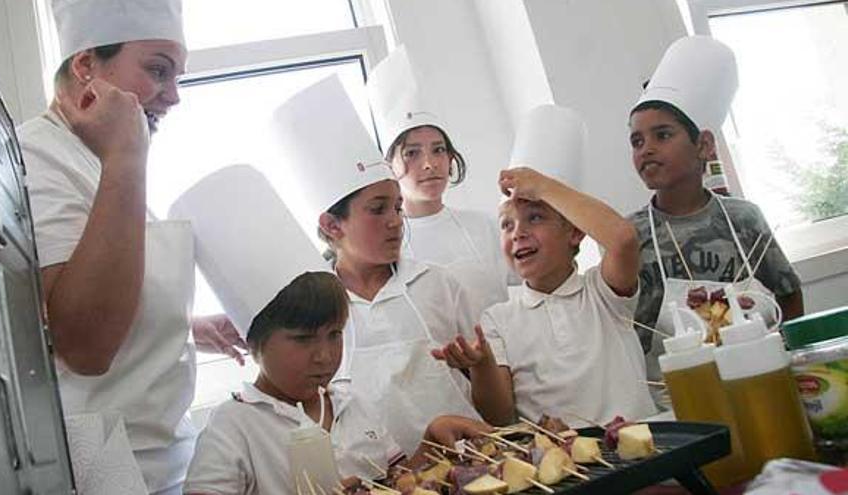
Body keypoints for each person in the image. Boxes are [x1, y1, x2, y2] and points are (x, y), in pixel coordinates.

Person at [17, 1, 244, 492]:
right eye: (158, 70)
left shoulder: (90, 157)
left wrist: (183, 327)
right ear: (86, 67)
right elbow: (85, 344)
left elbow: (106, 289)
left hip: (160, 459)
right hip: (108, 470)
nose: (175, 96)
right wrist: (126, 155)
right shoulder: (38, 157)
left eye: (178, 77)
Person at [268, 75, 483, 454]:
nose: (396, 220)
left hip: (472, 469)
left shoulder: (437, 284)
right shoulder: (315, 313)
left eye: (398, 207)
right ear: (331, 225)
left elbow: (487, 397)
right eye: (378, 209)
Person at [184, 271, 490, 494]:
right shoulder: (234, 424)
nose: (325, 356)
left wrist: (431, 441)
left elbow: (395, 481)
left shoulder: (352, 402)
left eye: (335, 335)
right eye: (303, 339)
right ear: (254, 344)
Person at [627, 36, 803, 408]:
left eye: (662, 135)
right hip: (680, 400)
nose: (646, 149)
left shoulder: (744, 218)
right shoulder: (631, 235)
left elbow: (789, 294)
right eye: (636, 141)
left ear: (704, 146)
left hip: (762, 384)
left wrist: (785, 356)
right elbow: (630, 336)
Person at [433, 166, 656, 426]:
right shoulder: (498, 319)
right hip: (562, 460)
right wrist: (482, 365)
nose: (518, 233)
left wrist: (543, 186)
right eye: (507, 225)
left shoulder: (602, 290)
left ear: (574, 232)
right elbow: (500, 416)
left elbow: (623, 239)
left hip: (641, 445)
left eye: (535, 217)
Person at [366, 46, 512, 316]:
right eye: (412, 153)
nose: (429, 163)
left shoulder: (486, 227)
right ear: (390, 165)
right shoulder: (386, 243)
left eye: (438, 149)